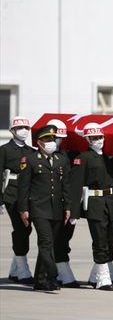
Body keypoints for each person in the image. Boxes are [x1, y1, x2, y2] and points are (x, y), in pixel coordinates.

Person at [69, 122, 113, 291]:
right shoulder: (82, 158)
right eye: (94, 138)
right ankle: (103, 278)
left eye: (100, 137)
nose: (98, 140)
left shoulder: (111, 156)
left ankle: (95, 274)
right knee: (100, 240)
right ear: (88, 139)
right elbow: (75, 186)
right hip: (95, 202)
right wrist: (74, 211)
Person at [16, 125, 71, 291]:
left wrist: (68, 206)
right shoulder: (30, 160)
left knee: (49, 244)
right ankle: (53, 275)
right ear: (39, 142)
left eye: (53, 139)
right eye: (47, 139)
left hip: (56, 208)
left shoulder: (62, 159)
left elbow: (66, 185)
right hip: (38, 207)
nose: (51, 142)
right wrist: (23, 209)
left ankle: (40, 280)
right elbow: (23, 187)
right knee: (46, 241)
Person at [0, 116, 35, 284]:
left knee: (26, 229)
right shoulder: (4, 150)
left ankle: (15, 269)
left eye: (26, 128)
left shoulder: (32, 151)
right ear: (12, 130)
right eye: (20, 127)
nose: (24, 131)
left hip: (29, 192)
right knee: (21, 227)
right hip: (12, 192)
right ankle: (22, 269)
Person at [48, 118, 81, 288]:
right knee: (51, 240)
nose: (57, 141)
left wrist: (74, 208)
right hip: (47, 204)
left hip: (68, 203)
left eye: (60, 137)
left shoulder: (72, 156)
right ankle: (58, 273)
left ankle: (59, 271)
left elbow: (73, 184)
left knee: (64, 237)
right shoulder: (40, 156)